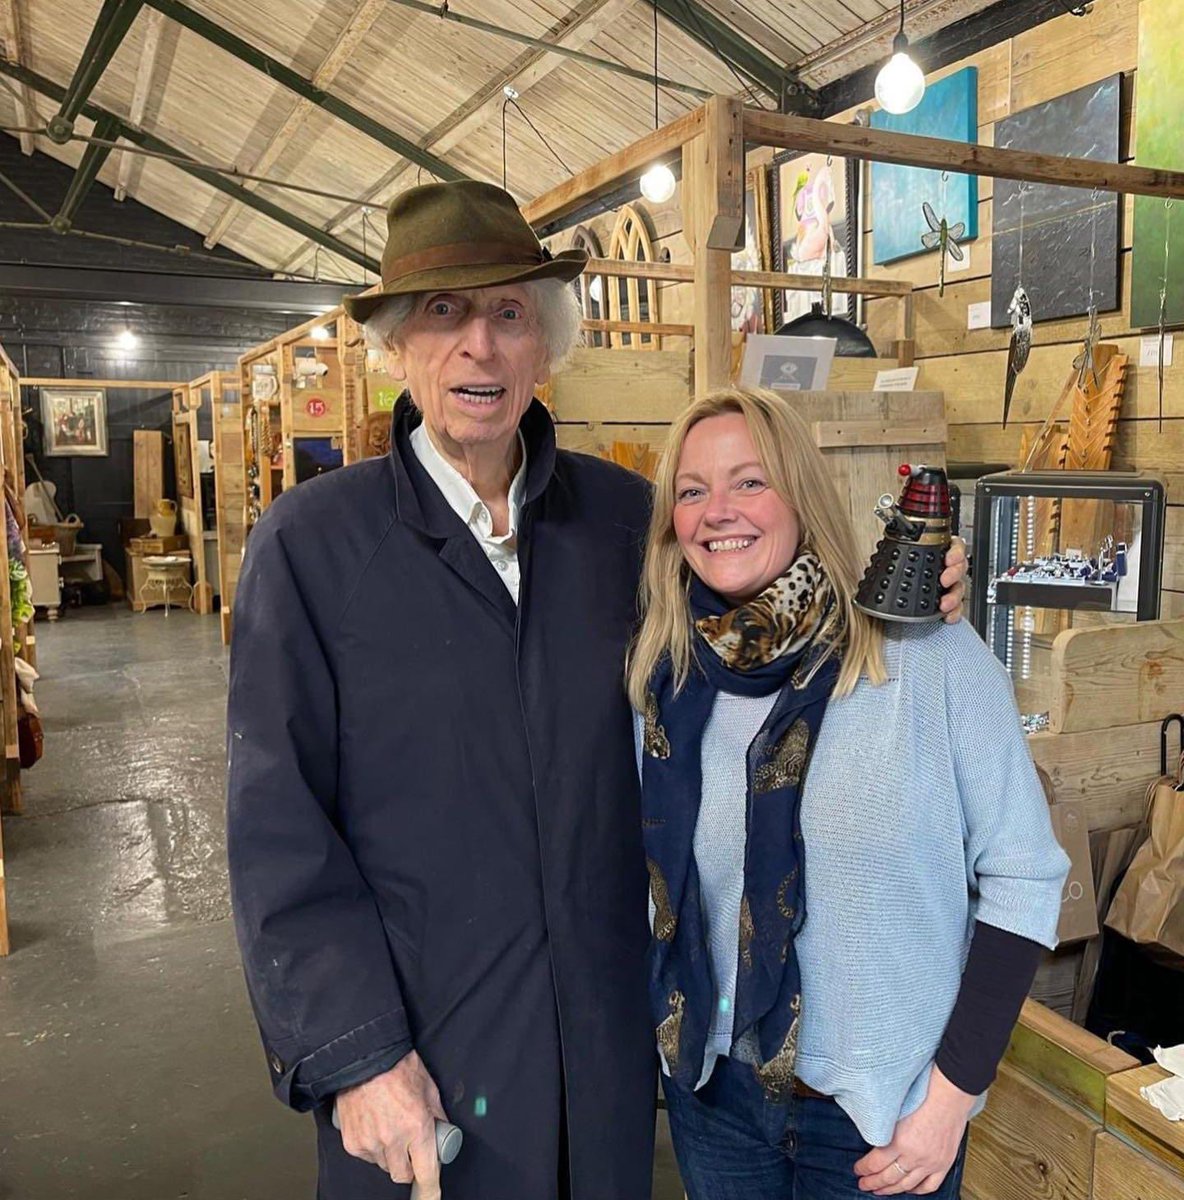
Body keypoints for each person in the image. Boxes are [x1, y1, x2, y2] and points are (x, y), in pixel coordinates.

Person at [226, 181, 969, 1200]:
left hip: (605, 1056)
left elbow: (760, 645)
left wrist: (899, 595)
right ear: (398, 345)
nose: (476, 348)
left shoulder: (622, 523)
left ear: (544, 345)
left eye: (506, 313)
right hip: (424, 1065)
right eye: (442, 314)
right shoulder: (313, 548)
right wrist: (355, 1055)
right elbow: (277, 831)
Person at [628, 386, 1069, 1200]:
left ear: (801, 491)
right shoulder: (669, 682)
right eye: (692, 490)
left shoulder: (926, 658)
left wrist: (951, 1098)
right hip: (714, 1097)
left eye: (749, 481)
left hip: (880, 1117)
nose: (718, 510)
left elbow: (1026, 876)